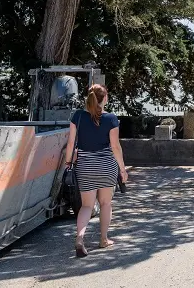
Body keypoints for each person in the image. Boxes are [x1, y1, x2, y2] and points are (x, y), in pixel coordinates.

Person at [64, 84, 127, 258]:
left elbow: (71, 143)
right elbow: (115, 147)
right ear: (105, 98)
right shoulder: (111, 118)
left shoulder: (78, 116)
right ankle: (103, 239)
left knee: (86, 206)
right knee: (105, 203)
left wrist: (68, 163)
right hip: (106, 166)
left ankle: (80, 238)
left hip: (85, 166)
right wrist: (122, 169)